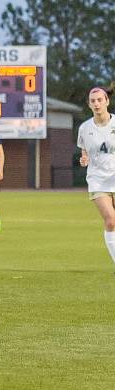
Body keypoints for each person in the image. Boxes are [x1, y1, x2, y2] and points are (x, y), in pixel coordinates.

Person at [78, 86, 115, 268]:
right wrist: (84, 158)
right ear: (89, 104)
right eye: (93, 101)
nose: (96, 103)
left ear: (107, 101)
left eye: (100, 100)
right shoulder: (84, 128)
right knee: (110, 219)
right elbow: (84, 151)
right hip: (97, 180)